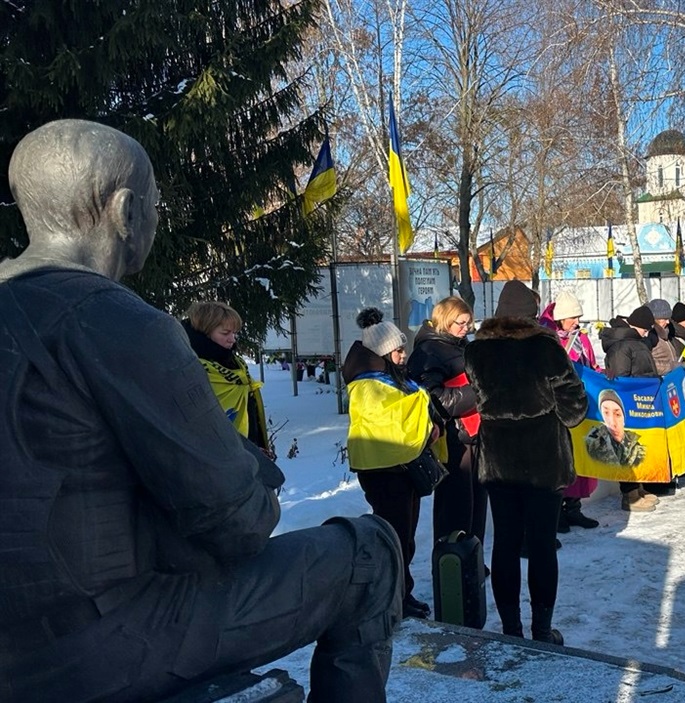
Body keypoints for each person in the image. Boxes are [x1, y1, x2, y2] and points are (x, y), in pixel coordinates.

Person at [0, 119, 401, 702]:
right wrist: (250, 468)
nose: (157, 222)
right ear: (125, 211)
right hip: (98, 645)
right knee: (369, 552)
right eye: (156, 206)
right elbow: (237, 525)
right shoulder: (120, 322)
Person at [464, 280, 588, 644]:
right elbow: (575, 407)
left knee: (503, 544)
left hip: (498, 462)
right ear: (532, 314)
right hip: (544, 461)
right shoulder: (546, 347)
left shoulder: (477, 352)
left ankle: (511, 630)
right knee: (541, 546)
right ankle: (541, 630)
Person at [343, 308, 440, 621]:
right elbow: (391, 419)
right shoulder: (367, 384)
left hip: (399, 467)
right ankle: (391, 596)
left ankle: (401, 591)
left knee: (404, 535)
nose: (403, 355)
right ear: (383, 352)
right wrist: (425, 418)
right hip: (384, 470)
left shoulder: (388, 378)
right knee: (394, 536)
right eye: (398, 350)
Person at [408, 297, 489, 547]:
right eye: (460, 323)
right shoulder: (429, 351)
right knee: (455, 504)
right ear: (445, 320)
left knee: (476, 500)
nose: (466, 328)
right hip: (452, 438)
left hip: (473, 434)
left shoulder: (460, 345)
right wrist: (479, 392)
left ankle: (471, 557)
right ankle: (451, 560)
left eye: (469, 323)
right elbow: (434, 399)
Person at [540, 290, 601, 531]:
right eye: (572, 317)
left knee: (579, 457)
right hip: (556, 408)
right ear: (560, 318)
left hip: (580, 406)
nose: (576, 322)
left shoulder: (581, 338)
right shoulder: (548, 337)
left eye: (578, 316)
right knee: (561, 460)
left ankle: (574, 508)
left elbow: (592, 366)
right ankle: (558, 512)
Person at [182, 300, 273, 457]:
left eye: (234, 333)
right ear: (205, 333)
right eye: (225, 333)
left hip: (246, 453)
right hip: (212, 461)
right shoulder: (191, 369)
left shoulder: (235, 363)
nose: (232, 339)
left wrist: (255, 446)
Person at [601, 305, 662, 510]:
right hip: (629, 404)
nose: (647, 333)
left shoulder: (635, 342)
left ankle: (639, 488)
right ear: (638, 326)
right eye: (646, 329)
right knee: (627, 449)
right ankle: (629, 495)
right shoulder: (621, 346)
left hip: (640, 403)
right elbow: (621, 379)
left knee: (639, 446)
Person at [584, 389, 645, 467]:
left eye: (617, 414)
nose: (612, 422)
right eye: (606, 413)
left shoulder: (638, 449)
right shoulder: (591, 443)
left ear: (624, 419)